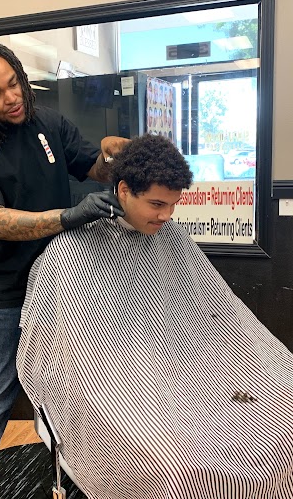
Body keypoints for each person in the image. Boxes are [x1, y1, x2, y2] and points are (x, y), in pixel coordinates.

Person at [17, 134, 293, 499]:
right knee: (172, 465)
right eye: (157, 204)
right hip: (116, 382)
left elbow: (217, 314)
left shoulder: (171, 236)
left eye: (173, 205)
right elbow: (69, 353)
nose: (167, 216)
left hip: (187, 370)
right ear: (124, 189)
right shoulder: (71, 249)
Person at [0, 39, 129, 499]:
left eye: (14, 84)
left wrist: (111, 156)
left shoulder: (48, 121)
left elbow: (96, 170)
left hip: (67, 286)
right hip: (9, 291)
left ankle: (98, 481)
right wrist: (68, 216)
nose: (11, 97)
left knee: (88, 392)